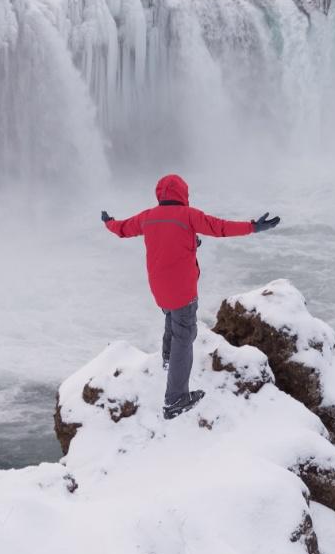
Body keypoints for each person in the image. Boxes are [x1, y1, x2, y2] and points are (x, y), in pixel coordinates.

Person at [101, 173, 280, 420]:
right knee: (185, 336)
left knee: (171, 316)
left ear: (160, 195)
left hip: (159, 287)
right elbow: (221, 228)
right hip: (182, 290)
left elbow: (121, 229)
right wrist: (253, 227)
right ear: (182, 194)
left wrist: (108, 222)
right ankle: (175, 399)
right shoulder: (189, 215)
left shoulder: (148, 217)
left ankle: (167, 358)